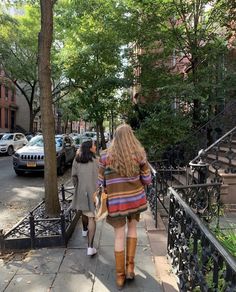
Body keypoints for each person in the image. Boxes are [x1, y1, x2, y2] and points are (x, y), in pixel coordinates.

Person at [98, 124, 151, 289]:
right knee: (133, 230)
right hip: (135, 201)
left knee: (119, 236)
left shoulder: (105, 156)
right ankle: (130, 269)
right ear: (131, 137)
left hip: (116, 203)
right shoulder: (139, 155)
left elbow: (100, 182)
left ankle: (119, 277)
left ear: (115, 137)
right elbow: (147, 180)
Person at [71, 139, 98, 256]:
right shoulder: (97, 160)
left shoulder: (77, 160)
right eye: (94, 146)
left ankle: (84, 230)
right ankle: (90, 247)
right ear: (90, 148)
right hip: (94, 192)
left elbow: (73, 177)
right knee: (92, 217)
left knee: (83, 211)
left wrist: (77, 187)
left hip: (81, 191)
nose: (95, 147)